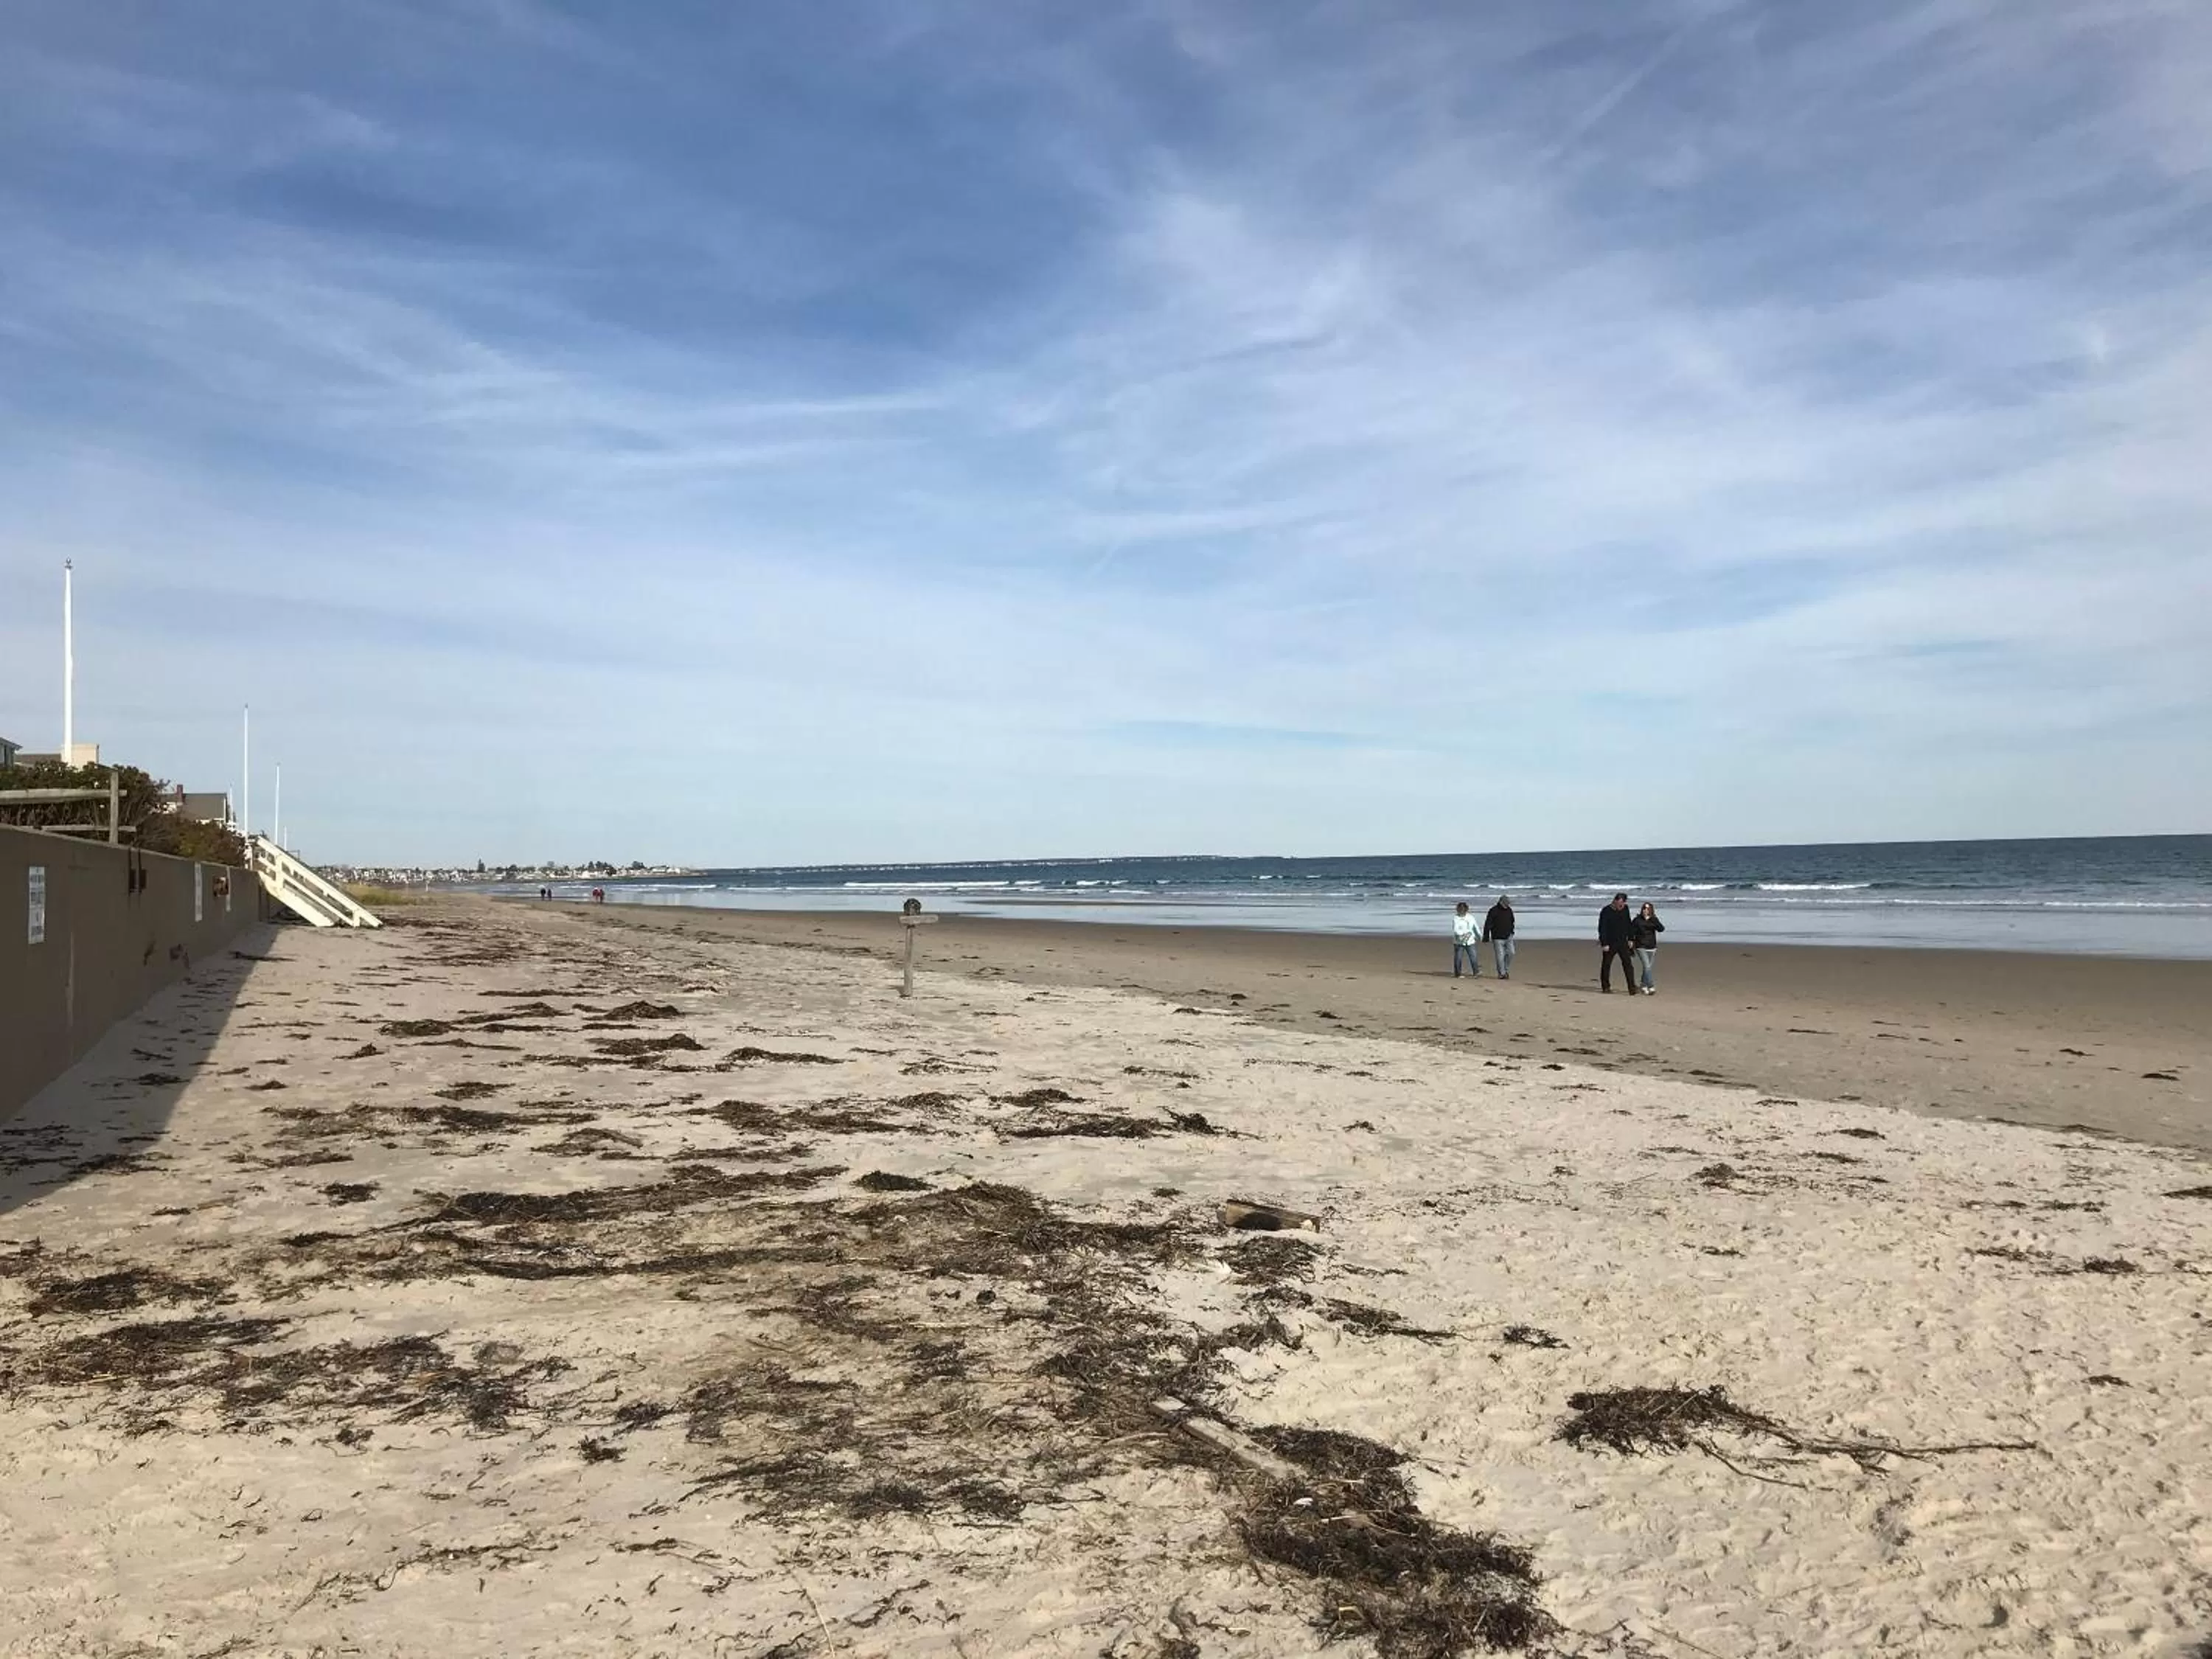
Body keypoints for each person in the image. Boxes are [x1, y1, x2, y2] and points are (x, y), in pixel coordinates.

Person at [1597, 892, 1636, 992]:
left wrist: (1631, 939)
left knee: (1628, 965)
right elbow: (1602, 928)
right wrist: (1604, 943)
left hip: (1623, 942)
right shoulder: (1606, 911)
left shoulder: (1626, 909)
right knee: (1606, 965)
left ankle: (1632, 987)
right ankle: (1606, 987)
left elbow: (1629, 924)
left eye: (1623, 904)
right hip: (1610, 943)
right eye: (1620, 904)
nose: (1621, 906)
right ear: (1615, 901)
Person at [1630, 902, 1665, 995]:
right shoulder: (1637, 920)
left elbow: (1661, 929)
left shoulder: (1654, 920)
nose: (1645, 910)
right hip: (1640, 945)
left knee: (1647, 968)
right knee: (1646, 966)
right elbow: (1631, 932)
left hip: (1652, 946)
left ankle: (1643, 985)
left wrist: (1655, 921)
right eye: (1644, 909)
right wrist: (1631, 941)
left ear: (1651, 910)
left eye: (1647, 909)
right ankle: (1651, 985)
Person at [1483, 894, 1516, 979]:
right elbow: (1488, 924)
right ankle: (1502, 973)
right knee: (1500, 956)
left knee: (1511, 953)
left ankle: (1505, 969)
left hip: (1509, 936)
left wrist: (1512, 931)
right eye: (1506, 903)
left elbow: (1512, 921)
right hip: (1497, 937)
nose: (1508, 904)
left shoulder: (1509, 910)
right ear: (1501, 902)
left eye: (1508, 903)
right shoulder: (1493, 910)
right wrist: (1486, 936)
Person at [1450, 901, 1482, 978]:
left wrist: (1480, 936)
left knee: (1473, 957)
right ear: (1458, 910)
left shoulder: (1471, 917)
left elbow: (1475, 927)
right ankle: (1458, 973)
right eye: (1460, 910)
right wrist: (1463, 934)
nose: (1462, 911)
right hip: (1459, 942)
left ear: (1466, 910)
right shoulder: (1456, 918)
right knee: (1458, 958)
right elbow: (1456, 930)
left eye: (1463, 910)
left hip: (1470, 941)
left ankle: (1476, 972)